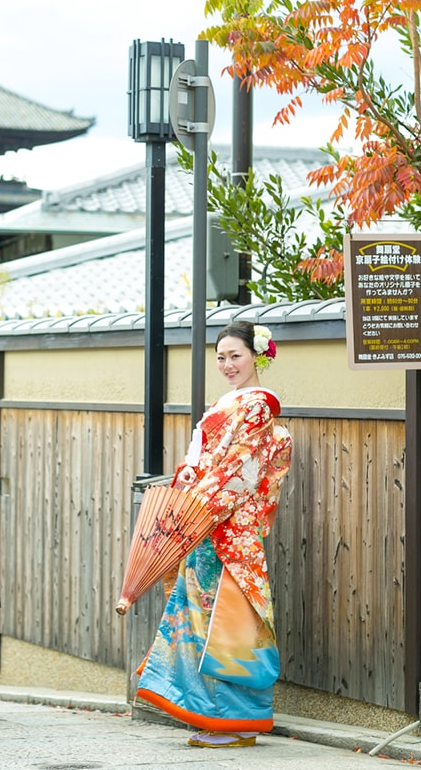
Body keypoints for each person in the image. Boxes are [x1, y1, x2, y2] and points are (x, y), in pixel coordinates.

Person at [135, 321, 292, 748]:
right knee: (202, 622)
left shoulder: (259, 406)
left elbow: (239, 470)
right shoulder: (226, 404)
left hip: (227, 529)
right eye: (220, 356)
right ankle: (213, 715)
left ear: (257, 356)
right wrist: (187, 476)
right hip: (207, 524)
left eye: (235, 355)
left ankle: (236, 720)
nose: (227, 364)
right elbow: (203, 462)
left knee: (228, 625)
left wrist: (198, 505)